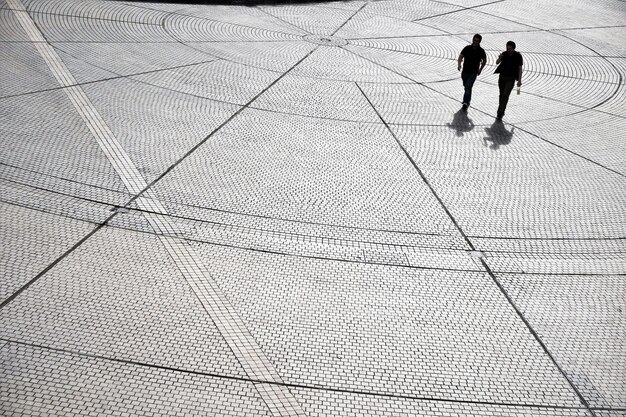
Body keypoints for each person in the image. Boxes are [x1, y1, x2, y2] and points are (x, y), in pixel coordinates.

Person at [494, 41, 523, 120]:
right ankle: (501, 110)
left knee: (505, 95)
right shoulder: (504, 54)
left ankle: (500, 112)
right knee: (501, 94)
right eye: (507, 48)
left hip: (511, 79)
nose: (508, 50)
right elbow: (497, 63)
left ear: (513, 48)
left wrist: (519, 80)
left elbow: (520, 68)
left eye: (510, 48)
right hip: (502, 77)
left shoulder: (518, 56)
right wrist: (499, 58)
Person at [457, 34, 486, 111]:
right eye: (474, 40)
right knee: (466, 86)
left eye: (477, 41)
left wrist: (480, 69)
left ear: (479, 42)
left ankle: (466, 102)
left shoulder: (481, 51)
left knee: (468, 86)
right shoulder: (467, 48)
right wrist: (459, 64)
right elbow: (461, 56)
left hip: (473, 72)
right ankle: (467, 99)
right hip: (465, 71)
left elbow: (485, 60)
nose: (475, 42)